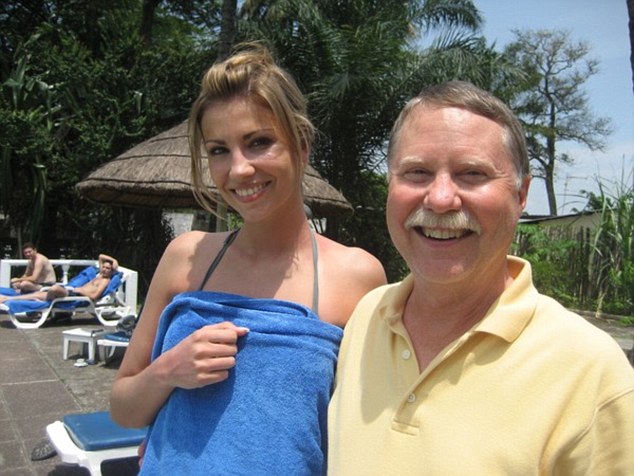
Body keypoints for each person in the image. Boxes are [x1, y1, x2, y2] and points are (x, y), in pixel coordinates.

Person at [328, 81, 634, 475]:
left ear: (521, 195)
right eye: (417, 172)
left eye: (471, 174)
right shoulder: (367, 317)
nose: (440, 198)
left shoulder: (591, 371)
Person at [110, 43, 386, 475]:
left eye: (258, 142)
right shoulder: (188, 257)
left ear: (303, 144)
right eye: (219, 150)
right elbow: (124, 408)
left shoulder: (356, 275)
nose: (238, 170)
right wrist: (168, 371)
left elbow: (363, 434)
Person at [0, 254, 118, 303]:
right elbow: (101, 256)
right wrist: (113, 260)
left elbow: (94, 296)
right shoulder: (98, 275)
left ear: (112, 271)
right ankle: (8, 298)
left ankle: (48, 298)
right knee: (37, 295)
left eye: (108, 268)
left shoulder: (105, 281)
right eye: (104, 267)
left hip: (77, 295)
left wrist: (80, 290)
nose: (105, 269)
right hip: (71, 291)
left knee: (54, 288)